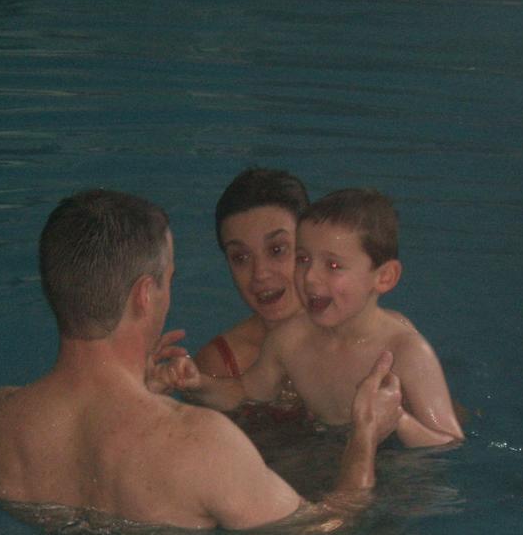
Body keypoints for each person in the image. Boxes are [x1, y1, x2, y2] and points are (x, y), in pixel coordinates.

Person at [0, 189, 404, 531]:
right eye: (168, 280)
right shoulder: (200, 444)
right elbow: (324, 531)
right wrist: (364, 437)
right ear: (144, 294)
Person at [165, 188, 464, 449]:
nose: (309, 277)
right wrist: (197, 383)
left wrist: (398, 420)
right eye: (303, 259)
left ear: (384, 277)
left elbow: (450, 442)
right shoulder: (289, 340)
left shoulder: (406, 351)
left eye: (333, 265)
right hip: (329, 452)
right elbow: (245, 393)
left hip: (396, 463)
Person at [193, 167, 309, 378]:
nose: (260, 273)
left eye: (276, 250)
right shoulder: (218, 367)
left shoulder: (363, 339)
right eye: (241, 257)